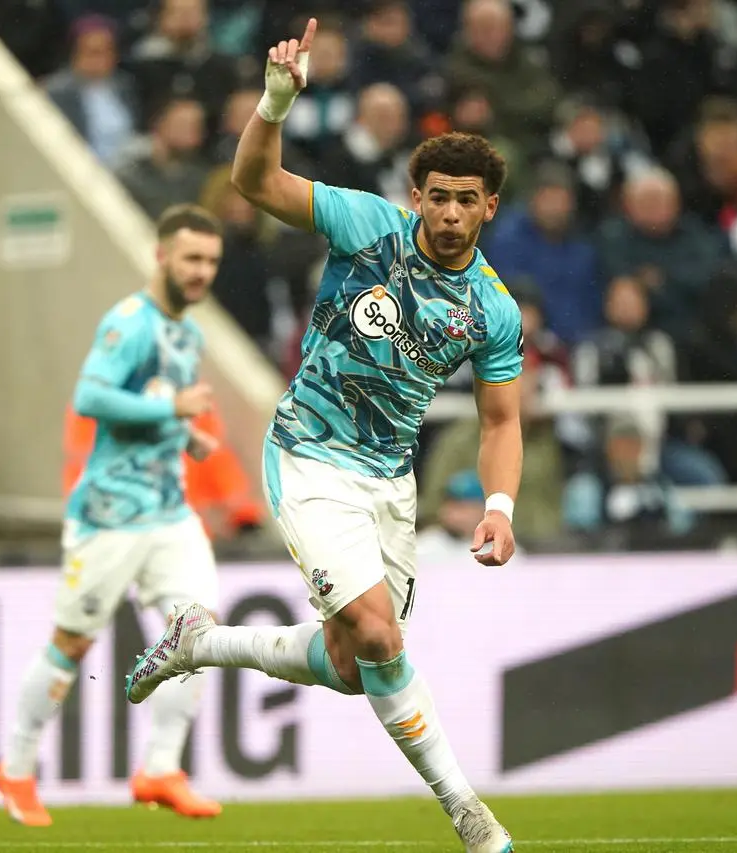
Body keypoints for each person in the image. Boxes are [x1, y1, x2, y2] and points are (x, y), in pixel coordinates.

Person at [125, 19, 518, 853]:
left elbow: (501, 419)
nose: (449, 213)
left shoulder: (492, 308)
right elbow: (253, 181)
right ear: (418, 197)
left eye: (465, 200)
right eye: (436, 195)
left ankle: (202, 640)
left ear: (489, 206)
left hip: (389, 479)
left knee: (350, 665)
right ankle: (471, 817)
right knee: (381, 636)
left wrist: (500, 502)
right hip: (308, 452)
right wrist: (274, 101)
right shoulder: (366, 226)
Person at [0, 205, 225, 826]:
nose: (201, 272)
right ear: (161, 256)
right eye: (191, 259)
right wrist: (174, 405)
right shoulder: (130, 323)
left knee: (197, 633)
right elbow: (91, 397)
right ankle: (15, 768)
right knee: (73, 641)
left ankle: (161, 766)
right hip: (111, 514)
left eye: (210, 261)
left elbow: (153, 409)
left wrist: (187, 433)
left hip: (169, 512)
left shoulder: (189, 335)